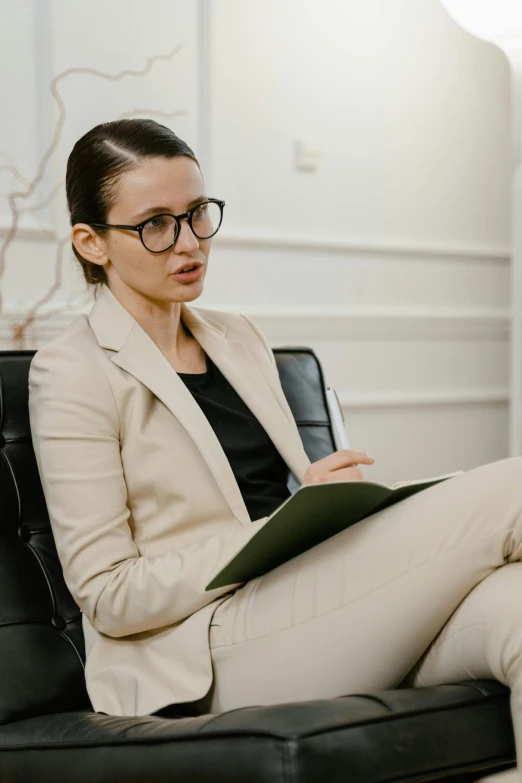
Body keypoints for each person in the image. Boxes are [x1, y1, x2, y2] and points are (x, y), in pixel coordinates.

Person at [28, 118, 522, 764]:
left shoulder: (236, 336)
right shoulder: (72, 370)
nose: (189, 242)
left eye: (197, 213)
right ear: (91, 243)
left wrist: (330, 510)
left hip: (303, 608)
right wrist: (276, 529)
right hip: (203, 650)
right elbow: (111, 595)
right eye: (155, 224)